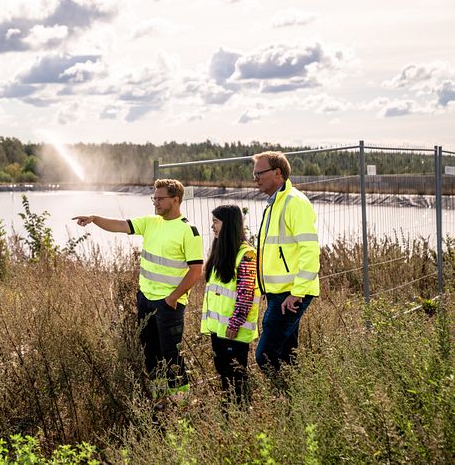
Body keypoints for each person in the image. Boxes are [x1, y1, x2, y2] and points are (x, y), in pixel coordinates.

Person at [73, 179, 204, 402]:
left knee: (171, 354)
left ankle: (181, 405)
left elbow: (195, 271)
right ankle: (160, 401)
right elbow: (119, 225)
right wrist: (95, 219)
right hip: (145, 299)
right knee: (150, 353)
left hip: (169, 305)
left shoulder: (188, 231)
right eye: (154, 198)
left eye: (160, 199)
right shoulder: (151, 222)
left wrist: (172, 298)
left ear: (175, 199)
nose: (156, 203)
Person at [252, 151, 320, 378]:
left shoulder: (294, 203)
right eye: (254, 174)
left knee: (265, 356)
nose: (255, 179)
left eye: (259, 173)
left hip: (290, 295)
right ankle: (295, 400)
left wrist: (298, 292)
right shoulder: (274, 204)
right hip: (279, 293)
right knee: (286, 354)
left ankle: (286, 395)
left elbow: (309, 251)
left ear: (277, 173)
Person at [201, 205, 259, 406]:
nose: (212, 226)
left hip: (234, 331)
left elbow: (246, 294)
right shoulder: (221, 252)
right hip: (219, 329)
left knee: (236, 377)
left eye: (216, 222)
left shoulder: (247, 254)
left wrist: (234, 323)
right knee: (224, 374)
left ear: (228, 225)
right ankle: (230, 415)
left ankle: (240, 415)